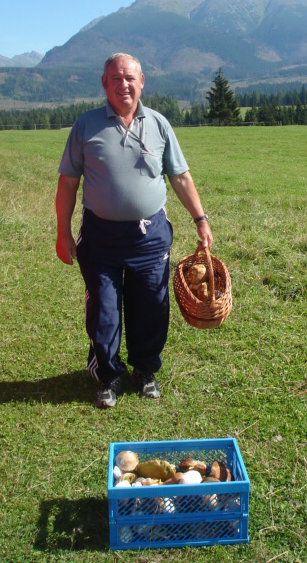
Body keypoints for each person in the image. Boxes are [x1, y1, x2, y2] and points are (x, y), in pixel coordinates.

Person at [56, 53, 213, 408]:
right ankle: (108, 376)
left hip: (150, 235)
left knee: (151, 305)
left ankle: (144, 370)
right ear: (104, 83)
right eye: (115, 78)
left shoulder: (159, 124)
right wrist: (63, 232)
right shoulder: (85, 126)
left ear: (142, 81)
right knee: (104, 309)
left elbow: (180, 176)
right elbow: (67, 183)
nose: (123, 84)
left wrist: (200, 219)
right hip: (100, 237)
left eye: (130, 78)